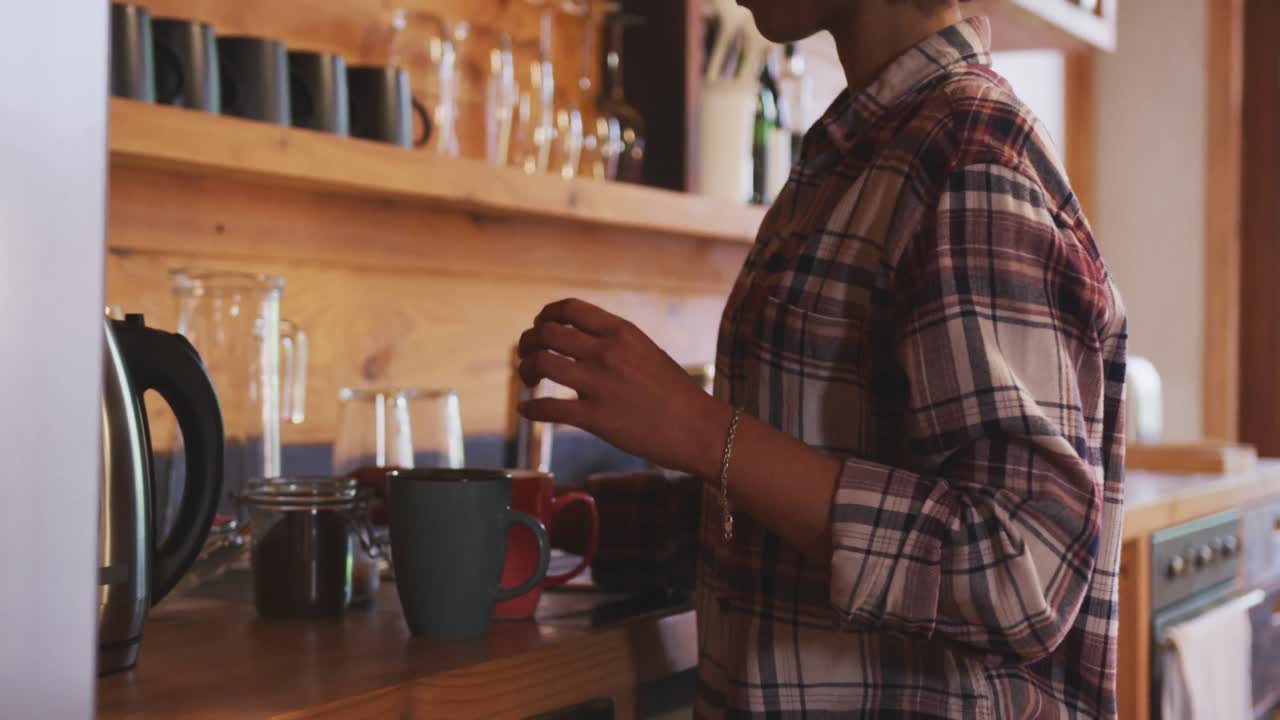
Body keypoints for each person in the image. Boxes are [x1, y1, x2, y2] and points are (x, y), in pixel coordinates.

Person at [515, 0, 1128, 716]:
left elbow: (1024, 569)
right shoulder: (865, 149)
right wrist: (550, 523)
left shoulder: (970, 152)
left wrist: (700, 429)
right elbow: (789, 502)